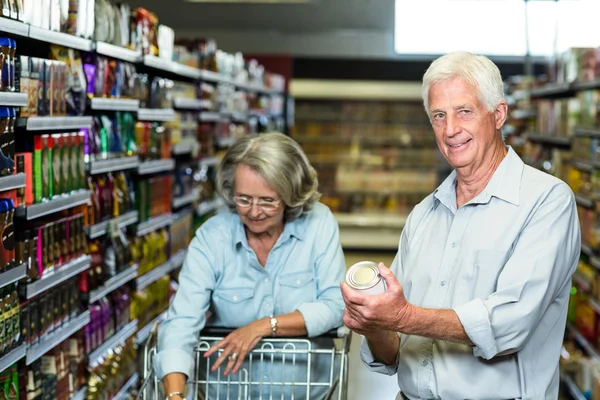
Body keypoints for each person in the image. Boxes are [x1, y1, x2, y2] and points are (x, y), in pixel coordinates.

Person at [341, 51, 581, 399]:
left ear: (498, 115)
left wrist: (402, 316)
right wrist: (375, 322)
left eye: (464, 111)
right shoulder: (424, 215)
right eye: (439, 115)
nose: (450, 130)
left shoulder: (546, 202)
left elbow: (509, 324)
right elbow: (392, 353)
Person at [154, 132, 346, 400]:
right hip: (227, 392)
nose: (254, 212)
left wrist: (263, 326)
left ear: (291, 194)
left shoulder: (318, 224)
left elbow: (336, 305)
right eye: (243, 199)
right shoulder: (213, 237)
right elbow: (181, 321)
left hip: (304, 391)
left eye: (268, 201)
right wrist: (174, 395)